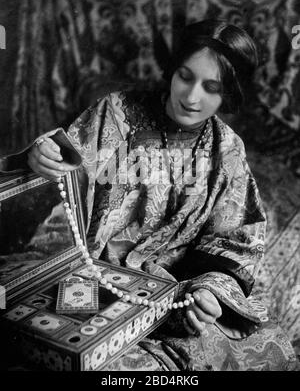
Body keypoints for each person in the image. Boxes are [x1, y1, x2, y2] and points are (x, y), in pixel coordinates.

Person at [4, 19, 298, 370]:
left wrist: (209, 292)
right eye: (185, 77)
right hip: (89, 278)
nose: (191, 97)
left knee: (271, 346)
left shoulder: (228, 149)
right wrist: (40, 156)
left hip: (176, 288)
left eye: (212, 87)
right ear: (172, 70)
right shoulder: (115, 113)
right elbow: (63, 174)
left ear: (229, 94)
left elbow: (235, 239)